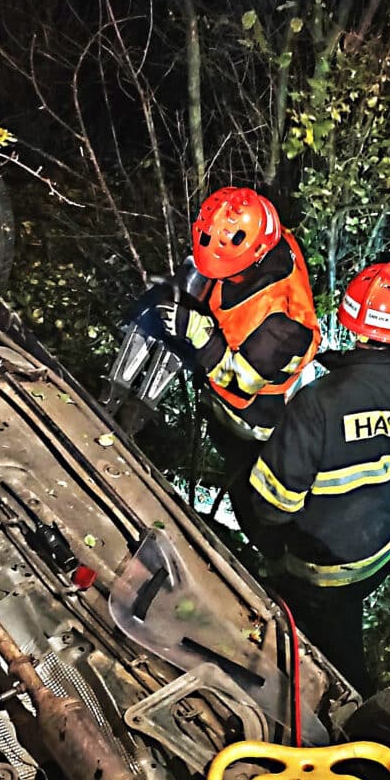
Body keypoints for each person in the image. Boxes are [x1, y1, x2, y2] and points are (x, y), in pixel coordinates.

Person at [248, 259, 390, 693]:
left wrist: (273, 550)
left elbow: (274, 504)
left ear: (351, 319)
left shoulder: (316, 402)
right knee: (342, 618)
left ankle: (348, 698)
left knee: (333, 650)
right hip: (383, 552)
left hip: (318, 567)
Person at [158, 186, 321, 550]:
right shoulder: (268, 238)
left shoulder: (282, 326)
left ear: (255, 254)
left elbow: (237, 385)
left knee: (244, 485)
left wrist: (199, 333)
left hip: (255, 418)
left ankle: (265, 548)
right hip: (242, 368)